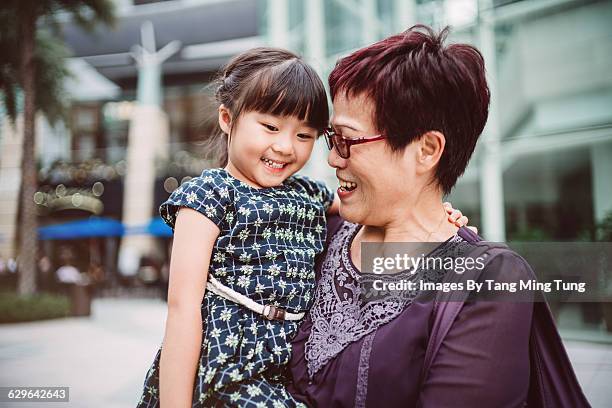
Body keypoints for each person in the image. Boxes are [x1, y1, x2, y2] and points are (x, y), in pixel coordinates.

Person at [137, 47, 468, 408]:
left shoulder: (309, 194)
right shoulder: (209, 197)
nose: (284, 147)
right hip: (225, 366)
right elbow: (182, 309)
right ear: (227, 119)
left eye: (304, 135)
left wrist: (439, 215)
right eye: (270, 127)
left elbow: (378, 204)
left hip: (283, 369)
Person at [288, 25, 590, 407]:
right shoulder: (312, 232)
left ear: (427, 150)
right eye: (332, 139)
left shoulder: (489, 284)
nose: (333, 158)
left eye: (348, 140)